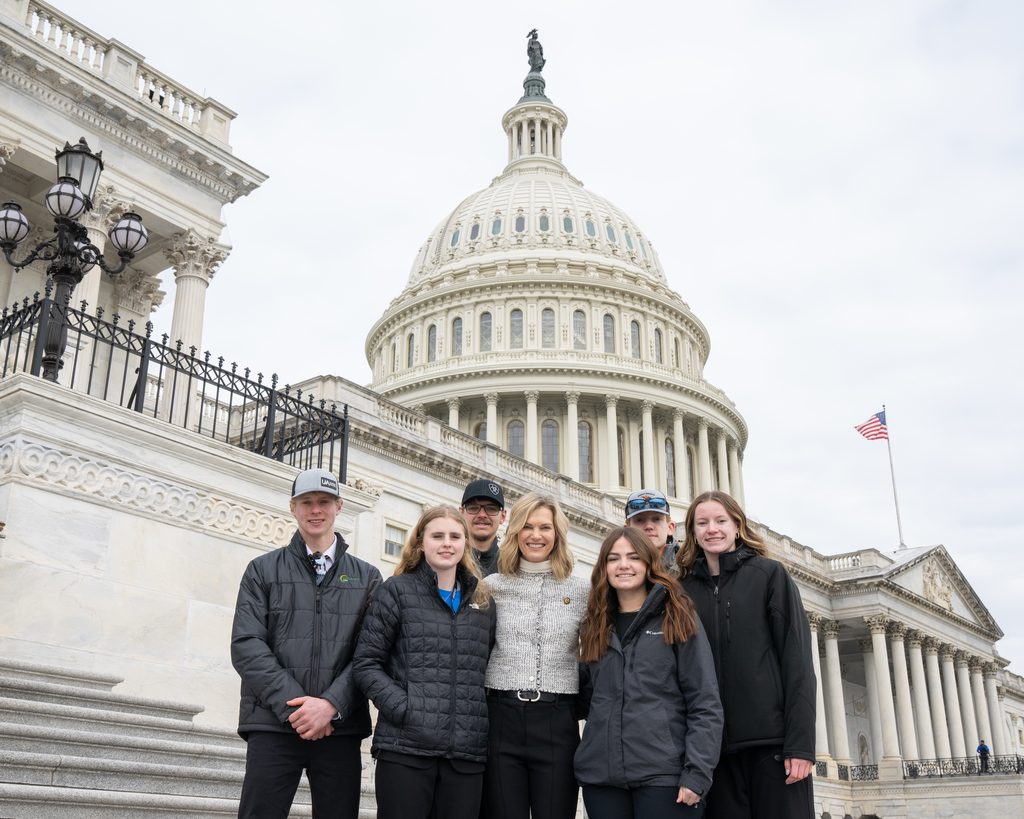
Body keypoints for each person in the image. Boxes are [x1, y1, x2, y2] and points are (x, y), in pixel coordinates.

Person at [231, 468, 382, 819]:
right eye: (307, 502)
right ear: (293, 508)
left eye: (324, 502)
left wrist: (330, 704)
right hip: (273, 723)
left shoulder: (368, 577)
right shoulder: (262, 569)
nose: (316, 510)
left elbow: (371, 653)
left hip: (339, 728)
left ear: (339, 507)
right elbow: (246, 644)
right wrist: (298, 709)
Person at [677, 491, 816, 819]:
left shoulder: (770, 575)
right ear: (693, 532)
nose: (712, 529)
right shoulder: (681, 590)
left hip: (773, 749)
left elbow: (797, 662)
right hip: (714, 754)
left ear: (737, 526)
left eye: (721, 520)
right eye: (703, 522)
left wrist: (801, 746)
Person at [353, 506, 496, 819]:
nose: (446, 543)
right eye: (437, 536)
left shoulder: (483, 603)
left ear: (466, 543)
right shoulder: (396, 591)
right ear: (420, 543)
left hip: (466, 755)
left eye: (455, 536)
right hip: (406, 749)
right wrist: (405, 708)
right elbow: (366, 664)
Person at [575, 527, 723, 818]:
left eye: (633, 557)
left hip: (664, 777)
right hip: (602, 779)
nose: (624, 565)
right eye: (614, 558)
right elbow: (586, 698)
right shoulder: (593, 625)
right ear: (604, 567)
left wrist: (697, 773)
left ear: (648, 563)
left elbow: (704, 701)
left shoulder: (678, 617)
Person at [482, 492, 590, 819]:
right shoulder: (491, 586)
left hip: (558, 720)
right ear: (515, 531)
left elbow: (601, 652)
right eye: (527, 526)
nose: (536, 535)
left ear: (557, 533)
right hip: (501, 717)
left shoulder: (582, 590)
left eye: (545, 527)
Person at [461, 478, 507, 576]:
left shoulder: (511, 569)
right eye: (473, 508)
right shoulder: (447, 562)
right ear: (461, 513)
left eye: (491, 509)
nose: (482, 515)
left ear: (503, 516)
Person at [624, 488, 679, 570]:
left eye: (657, 519)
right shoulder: (614, 572)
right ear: (626, 531)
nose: (649, 526)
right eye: (639, 520)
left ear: (670, 528)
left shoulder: (688, 570)